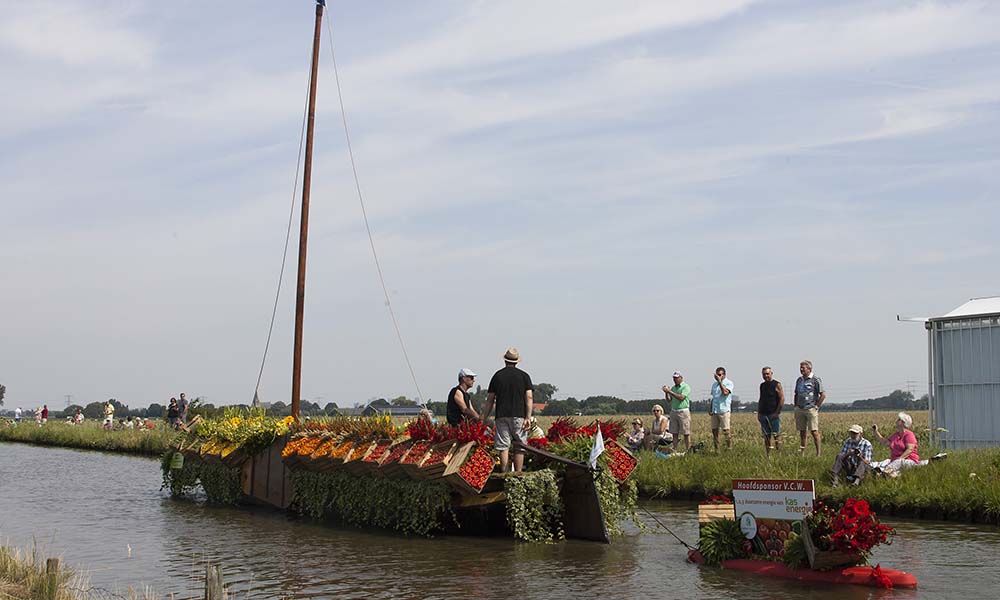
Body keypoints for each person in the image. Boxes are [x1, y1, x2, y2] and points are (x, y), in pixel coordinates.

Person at [482, 347, 533, 473]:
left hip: (501, 415)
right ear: (517, 361)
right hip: (519, 415)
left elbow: (490, 400)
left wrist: (484, 417)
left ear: (505, 361)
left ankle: (504, 473)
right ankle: (518, 473)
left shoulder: (497, 376)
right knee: (520, 445)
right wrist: (528, 417)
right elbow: (529, 397)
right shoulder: (524, 376)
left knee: (503, 446)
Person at [871, 412, 929, 476]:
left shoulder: (909, 434)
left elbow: (910, 449)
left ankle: (883, 472)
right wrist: (875, 432)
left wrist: (899, 459)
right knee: (894, 475)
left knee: (899, 462)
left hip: (909, 461)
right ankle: (887, 475)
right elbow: (885, 442)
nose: (896, 421)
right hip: (895, 462)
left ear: (904, 423)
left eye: (899, 419)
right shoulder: (896, 435)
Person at [793, 360, 825, 456]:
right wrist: (795, 405)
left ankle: (818, 454)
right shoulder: (799, 380)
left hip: (810, 408)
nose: (801, 369)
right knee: (802, 432)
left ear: (809, 369)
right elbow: (796, 393)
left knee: (814, 432)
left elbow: (822, 394)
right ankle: (802, 452)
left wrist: (816, 406)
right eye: (800, 368)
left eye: (803, 368)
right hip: (800, 408)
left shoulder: (815, 379)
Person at [757, 367, 784, 455]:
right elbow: (761, 399)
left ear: (771, 374)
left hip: (773, 414)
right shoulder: (762, 385)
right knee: (766, 436)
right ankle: (768, 454)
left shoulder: (776, 384)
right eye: (764, 374)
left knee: (777, 435)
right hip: (763, 414)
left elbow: (782, 399)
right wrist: (759, 412)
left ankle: (779, 453)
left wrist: (777, 413)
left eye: (767, 374)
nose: (766, 376)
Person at [663, 371, 692, 453]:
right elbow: (669, 400)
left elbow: (681, 397)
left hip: (683, 411)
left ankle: (688, 449)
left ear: (681, 378)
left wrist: (670, 392)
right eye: (674, 378)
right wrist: (666, 393)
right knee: (674, 432)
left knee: (686, 432)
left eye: (677, 378)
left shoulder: (685, 387)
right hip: (674, 411)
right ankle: (674, 449)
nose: (675, 380)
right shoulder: (673, 388)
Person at [709, 367, 734, 450]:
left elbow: (725, 392)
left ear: (724, 375)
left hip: (724, 410)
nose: (718, 376)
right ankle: (717, 449)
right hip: (715, 411)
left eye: (719, 375)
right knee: (714, 431)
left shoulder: (729, 383)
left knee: (726, 431)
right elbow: (714, 397)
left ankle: (729, 448)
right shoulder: (714, 385)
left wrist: (720, 382)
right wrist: (710, 408)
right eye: (717, 375)